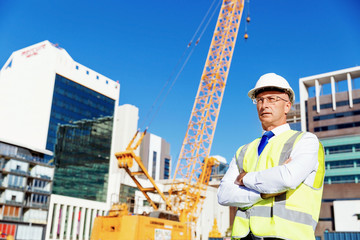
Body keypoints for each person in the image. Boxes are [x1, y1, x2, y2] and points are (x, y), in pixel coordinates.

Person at [217, 73, 325, 240]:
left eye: (272, 99)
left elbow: (287, 179)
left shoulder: (305, 140)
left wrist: (244, 179)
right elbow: (224, 195)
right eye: (259, 100)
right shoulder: (243, 150)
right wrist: (263, 193)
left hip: (288, 236)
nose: (264, 105)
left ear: (287, 106)